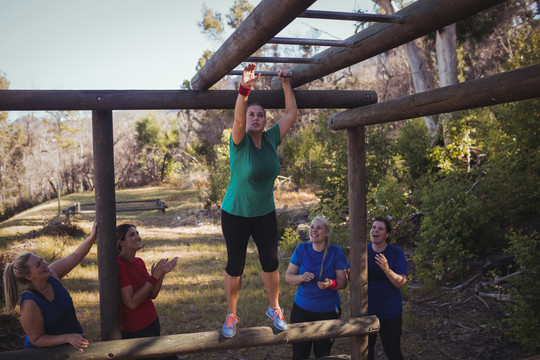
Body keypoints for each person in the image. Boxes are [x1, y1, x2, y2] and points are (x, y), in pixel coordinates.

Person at [220, 63, 297, 338]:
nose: (255, 118)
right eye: (252, 113)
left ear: (265, 121)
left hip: (264, 212)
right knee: (235, 265)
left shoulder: (271, 138)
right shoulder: (238, 141)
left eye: (260, 115)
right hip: (235, 213)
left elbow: (291, 113)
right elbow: (238, 121)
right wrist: (245, 89)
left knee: (271, 261)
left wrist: (285, 83)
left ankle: (274, 308)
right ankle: (231, 315)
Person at [2, 221, 98, 351]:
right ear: (29, 276)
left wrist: (92, 236)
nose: (45, 263)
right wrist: (67, 337)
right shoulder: (30, 303)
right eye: (38, 265)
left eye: (42, 260)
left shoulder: (52, 274)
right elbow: (36, 339)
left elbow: (76, 255)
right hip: (44, 354)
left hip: (72, 345)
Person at [285, 215, 348, 359]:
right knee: (300, 354)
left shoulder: (336, 251)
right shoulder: (301, 249)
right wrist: (301, 278)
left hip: (327, 312)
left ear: (326, 233)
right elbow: (288, 277)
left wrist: (330, 284)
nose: (314, 230)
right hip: (301, 311)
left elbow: (343, 282)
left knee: (323, 354)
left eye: (319, 228)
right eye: (312, 227)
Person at [116, 224, 178, 360]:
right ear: (121, 243)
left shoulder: (139, 261)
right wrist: (153, 278)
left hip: (152, 321)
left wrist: (161, 275)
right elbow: (131, 303)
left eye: (137, 233)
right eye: (132, 234)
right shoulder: (119, 265)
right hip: (136, 329)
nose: (138, 236)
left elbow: (152, 295)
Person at [365, 216, 408, 360]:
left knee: (393, 352)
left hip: (390, 311)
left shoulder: (395, 253)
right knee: (366, 352)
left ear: (387, 234)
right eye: (373, 227)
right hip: (366, 311)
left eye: (380, 228)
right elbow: (349, 275)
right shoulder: (363, 250)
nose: (375, 230)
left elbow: (401, 282)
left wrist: (386, 269)